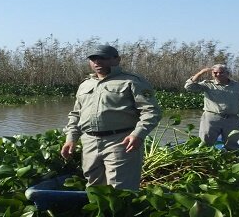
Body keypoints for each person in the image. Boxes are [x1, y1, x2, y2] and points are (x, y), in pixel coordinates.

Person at [60, 44, 162, 190]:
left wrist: (138, 134)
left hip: (121, 141)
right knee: (94, 188)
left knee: (120, 189)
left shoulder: (132, 81)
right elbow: (76, 115)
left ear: (117, 59)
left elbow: (151, 111)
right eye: (93, 59)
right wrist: (71, 139)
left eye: (103, 58)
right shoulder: (85, 84)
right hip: (89, 142)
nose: (97, 62)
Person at [185, 64, 239, 150]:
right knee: (205, 144)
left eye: (221, 73)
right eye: (215, 73)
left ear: (227, 73)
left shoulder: (237, 86)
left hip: (232, 119)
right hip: (211, 119)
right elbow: (188, 87)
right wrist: (201, 73)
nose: (218, 75)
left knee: (232, 145)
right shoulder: (207, 84)